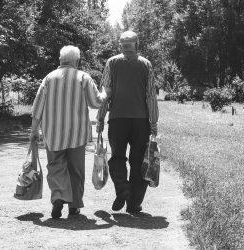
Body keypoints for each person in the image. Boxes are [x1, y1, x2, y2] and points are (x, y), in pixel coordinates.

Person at [30, 45, 110, 219]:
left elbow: (37, 107)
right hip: (77, 133)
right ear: (77, 61)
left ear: (60, 60)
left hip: (53, 133)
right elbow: (95, 103)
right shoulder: (83, 77)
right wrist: (105, 93)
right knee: (76, 170)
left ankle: (58, 197)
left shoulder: (49, 78)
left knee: (55, 167)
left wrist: (34, 130)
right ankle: (74, 206)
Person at [96, 31, 159, 214]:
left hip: (117, 120)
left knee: (117, 157)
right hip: (140, 122)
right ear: (136, 44)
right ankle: (134, 204)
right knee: (139, 161)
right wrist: (153, 122)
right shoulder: (146, 64)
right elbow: (150, 97)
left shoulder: (112, 62)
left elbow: (105, 93)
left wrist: (100, 118)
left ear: (120, 45)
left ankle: (123, 189)